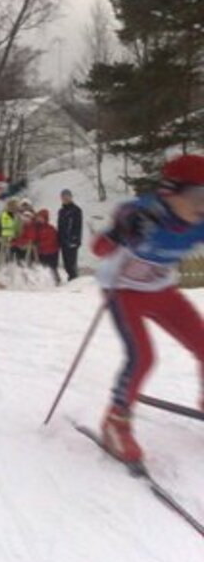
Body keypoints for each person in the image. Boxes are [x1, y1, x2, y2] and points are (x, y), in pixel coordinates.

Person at [94, 154, 204, 464]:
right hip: (123, 291)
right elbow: (98, 249)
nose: (202, 206)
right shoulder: (138, 213)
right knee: (142, 357)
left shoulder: (200, 220)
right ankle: (115, 422)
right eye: (198, 195)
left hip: (162, 289)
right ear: (170, 191)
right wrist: (118, 233)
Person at [58, 188, 83, 281]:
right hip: (63, 240)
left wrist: (76, 240)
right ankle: (71, 279)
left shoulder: (76, 210)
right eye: (63, 197)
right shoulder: (61, 211)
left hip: (72, 240)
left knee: (72, 263)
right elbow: (60, 226)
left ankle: (74, 280)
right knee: (66, 263)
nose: (65, 199)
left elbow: (78, 226)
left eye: (67, 196)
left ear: (71, 197)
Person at [32, 209, 61, 285]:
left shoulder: (51, 228)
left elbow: (52, 240)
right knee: (43, 267)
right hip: (42, 251)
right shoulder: (37, 228)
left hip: (52, 251)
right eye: (38, 217)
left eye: (41, 218)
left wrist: (40, 244)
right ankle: (46, 282)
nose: (39, 219)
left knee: (52, 267)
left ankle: (56, 281)